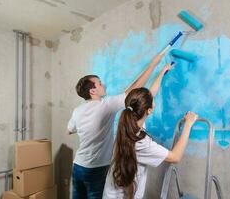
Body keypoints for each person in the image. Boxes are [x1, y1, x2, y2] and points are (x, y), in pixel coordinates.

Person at [67, 52, 170, 199]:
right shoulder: (106, 105)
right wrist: (154, 64)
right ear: (93, 91)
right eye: (100, 83)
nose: (103, 85)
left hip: (78, 166)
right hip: (97, 169)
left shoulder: (77, 111)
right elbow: (135, 88)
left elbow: (69, 130)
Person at [103, 66, 198, 199]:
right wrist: (188, 124)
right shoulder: (141, 142)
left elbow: (149, 95)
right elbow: (175, 157)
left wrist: (162, 72)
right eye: (153, 102)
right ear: (148, 110)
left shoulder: (127, 122)